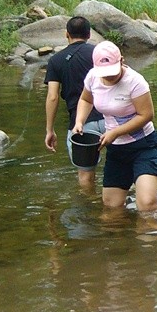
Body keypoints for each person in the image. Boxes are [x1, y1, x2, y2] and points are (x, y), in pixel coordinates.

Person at [71, 41, 157, 212]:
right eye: (104, 73)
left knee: (147, 205)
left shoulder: (135, 82)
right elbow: (86, 99)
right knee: (111, 209)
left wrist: (115, 132)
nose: (109, 77)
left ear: (122, 60)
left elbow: (147, 115)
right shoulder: (93, 77)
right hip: (117, 150)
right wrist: (79, 122)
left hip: (144, 146)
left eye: (112, 72)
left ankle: (155, 235)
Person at [44, 16, 105, 189]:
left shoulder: (55, 61)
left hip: (81, 124)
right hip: (111, 119)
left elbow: (53, 97)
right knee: (121, 169)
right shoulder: (99, 54)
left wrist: (50, 130)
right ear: (89, 34)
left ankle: (87, 212)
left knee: (85, 177)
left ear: (66, 34)